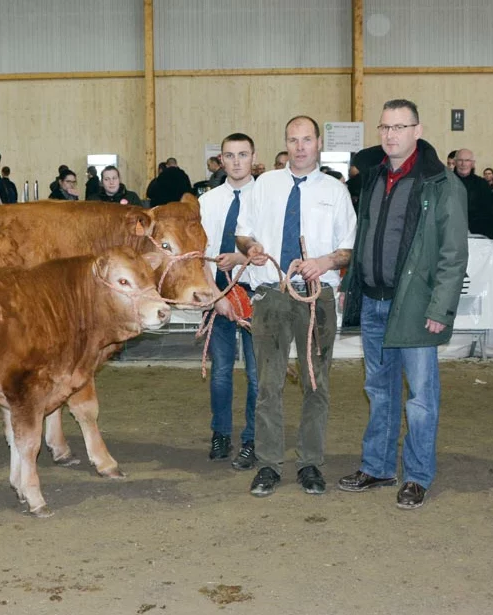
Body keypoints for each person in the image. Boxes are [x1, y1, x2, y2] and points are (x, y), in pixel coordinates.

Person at [337, 99, 468, 510]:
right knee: (379, 389)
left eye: (399, 126)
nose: (390, 135)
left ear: (418, 129)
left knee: (421, 397)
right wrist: (352, 283)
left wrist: (439, 308)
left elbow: (453, 254)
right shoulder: (373, 177)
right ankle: (377, 466)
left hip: (414, 306)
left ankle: (417, 475)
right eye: (385, 127)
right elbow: (365, 237)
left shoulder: (443, 184)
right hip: (374, 302)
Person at [235, 115, 356, 498]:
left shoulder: (336, 192)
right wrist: (250, 249)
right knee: (267, 385)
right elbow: (243, 232)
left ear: (318, 143)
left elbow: (349, 249)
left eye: (307, 139)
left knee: (315, 384)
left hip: (315, 297)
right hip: (271, 295)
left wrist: (323, 262)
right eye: (293, 139)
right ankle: (269, 464)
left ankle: (310, 464)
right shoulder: (263, 186)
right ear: (285, 143)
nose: (300, 146)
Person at [199, 133, 259, 469]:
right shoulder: (207, 201)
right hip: (217, 295)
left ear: (253, 157)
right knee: (221, 372)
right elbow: (200, 254)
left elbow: (268, 250)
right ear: (220, 160)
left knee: (256, 373)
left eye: (242, 154)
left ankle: (252, 437)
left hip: (254, 295)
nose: (236, 161)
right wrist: (215, 296)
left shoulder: (267, 196)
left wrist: (241, 259)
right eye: (229, 155)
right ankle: (220, 432)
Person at [454, 148, 492, 235]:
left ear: (473, 163)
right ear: (455, 162)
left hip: (478, 232)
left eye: (467, 160)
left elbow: (487, 210)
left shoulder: (482, 184)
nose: (463, 164)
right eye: (460, 160)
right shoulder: (446, 183)